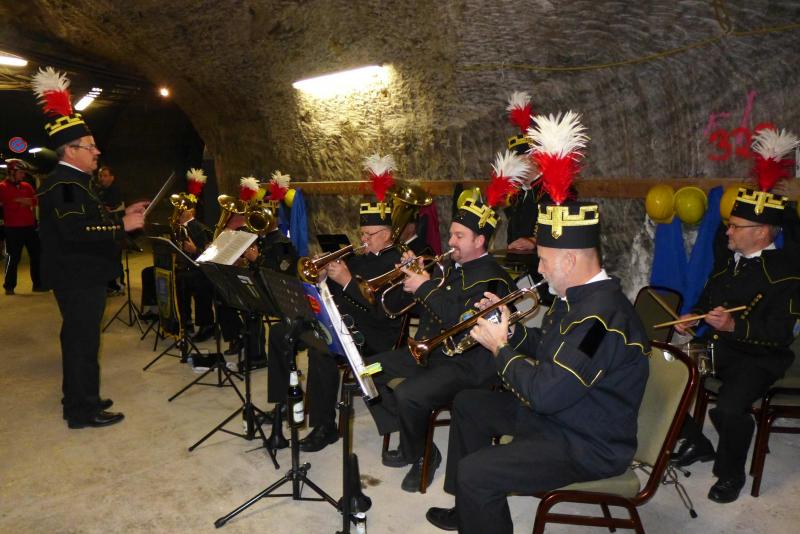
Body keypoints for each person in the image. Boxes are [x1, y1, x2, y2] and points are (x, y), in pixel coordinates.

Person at [425, 200, 650, 533]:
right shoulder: (576, 299)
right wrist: (509, 331)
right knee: (469, 404)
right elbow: (549, 349)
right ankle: (469, 508)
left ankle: (475, 495)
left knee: (476, 472)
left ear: (569, 260)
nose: (539, 270)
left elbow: (545, 394)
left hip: (588, 442)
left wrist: (499, 348)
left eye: (543, 260)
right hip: (564, 414)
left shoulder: (601, 324)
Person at [366, 197, 516, 492]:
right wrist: (412, 277)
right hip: (431, 353)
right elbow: (418, 308)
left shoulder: (493, 280)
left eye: (459, 236)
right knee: (367, 370)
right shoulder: (450, 267)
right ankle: (416, 441)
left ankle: (422, 455)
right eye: (451, 234)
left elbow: (462, 322)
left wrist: (425, 287)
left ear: (480, 240)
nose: (450, 241)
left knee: (409, 395)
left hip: (467, 364)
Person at [33, 66, 147, 429]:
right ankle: (81, 410)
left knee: (81, 340)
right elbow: (75, 230)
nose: (97, 151)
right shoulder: (65, 185)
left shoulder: (75, 182)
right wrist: (121, 225)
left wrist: (120, 214)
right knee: (81, 342)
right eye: (90, 146)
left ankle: (83, 397)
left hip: (81, 274)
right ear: (70, 150)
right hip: (77, 276)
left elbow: (86, 219)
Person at [671, 188, 800, 504]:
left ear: (761, 232)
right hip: (717, 347)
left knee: (728, 409)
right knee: (658, 373)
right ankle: (696, 442)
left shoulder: (786, 274)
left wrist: (733, 326)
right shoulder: (729, 262)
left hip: (759, 358)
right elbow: (708, 300)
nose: (727, 231)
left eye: (735, 226)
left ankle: (731, 474)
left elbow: (782, 333)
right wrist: (692, 317)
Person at [266, 200, 406, 452]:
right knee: (280, 332)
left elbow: (383, 314)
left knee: (321, 349)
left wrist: (347, 281)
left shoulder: (398, 265)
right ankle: (283, 404)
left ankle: (325, 426)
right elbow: (331, 293)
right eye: (362, 233)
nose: (363, 239)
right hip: (340, 324)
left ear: (386, 235)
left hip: (371, 336)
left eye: (369, 234)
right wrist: (321, 279)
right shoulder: (359, 259)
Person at [0, 158, 43, 295]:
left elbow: (36, 200)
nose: (23, 175)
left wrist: (26, 201)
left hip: (29, 226)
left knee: (37, 255)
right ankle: (9, 286)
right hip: (12, 228)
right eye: (21, 172)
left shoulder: (27, 186)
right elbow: (5, 203)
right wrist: (19, 202)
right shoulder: (2, 187)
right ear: (12, 172)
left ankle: (38, 284)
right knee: (13, 258)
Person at [174, 205, 215, 342]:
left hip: (202, 270)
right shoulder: (179, 227)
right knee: (180, 278)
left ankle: (207, 325)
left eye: (183, 209)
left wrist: (194, 250)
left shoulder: (200, 228)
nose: (179, 211)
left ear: (191, 211)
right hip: (188, 268)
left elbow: (209, 257)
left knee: (197, 283)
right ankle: (185, 322)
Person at [95, 165, 125, 295]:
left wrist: (102, 207)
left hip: (115, 230)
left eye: (105, 176)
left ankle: (118, 286)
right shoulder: (98, 191)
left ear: (112, 177)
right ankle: (108, 284)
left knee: (114, 258)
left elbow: (113, 207)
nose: (102, 178)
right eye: (100, 176)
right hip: (103, 231)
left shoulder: (116, 191)